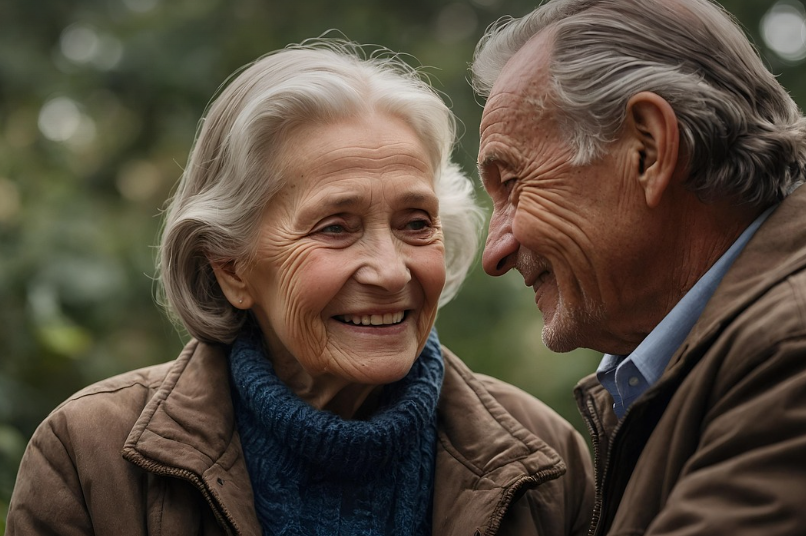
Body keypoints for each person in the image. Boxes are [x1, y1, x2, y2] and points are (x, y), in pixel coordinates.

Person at [7, 40, 593, 535]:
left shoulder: (548, 463)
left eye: (416, 223)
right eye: (335, 228)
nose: (390, 272)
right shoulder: (91, 456)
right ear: (231, 267)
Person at [471, 0, 806, 534]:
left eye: (512, 184)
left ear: (648, 150)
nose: (495, 252)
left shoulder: (787, 346)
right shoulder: (694, 362)